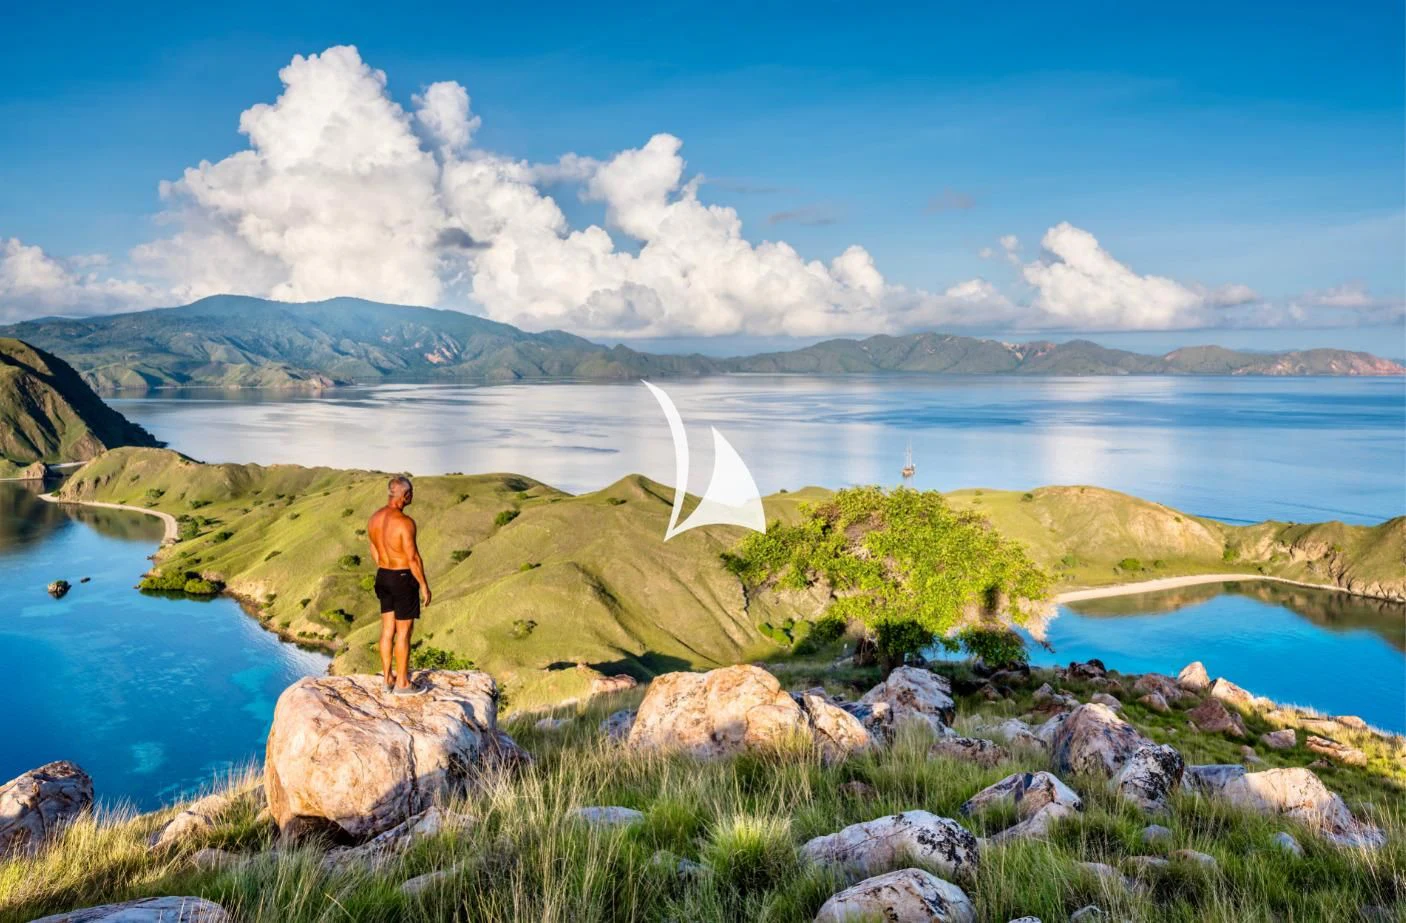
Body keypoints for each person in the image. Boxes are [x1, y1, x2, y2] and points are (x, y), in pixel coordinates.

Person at [368, 475, 432, 695]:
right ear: (405, 495)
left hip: (383, 575)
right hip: (402, 577)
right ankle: (403, 684)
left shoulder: (375, 518)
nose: (412, 496)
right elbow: (413, 558)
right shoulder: (405, 522)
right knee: (404, 632)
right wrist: (423, 585)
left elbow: (373, 548)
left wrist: (385, 566)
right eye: (411, 493)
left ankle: (387, 679)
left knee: (388, 630)